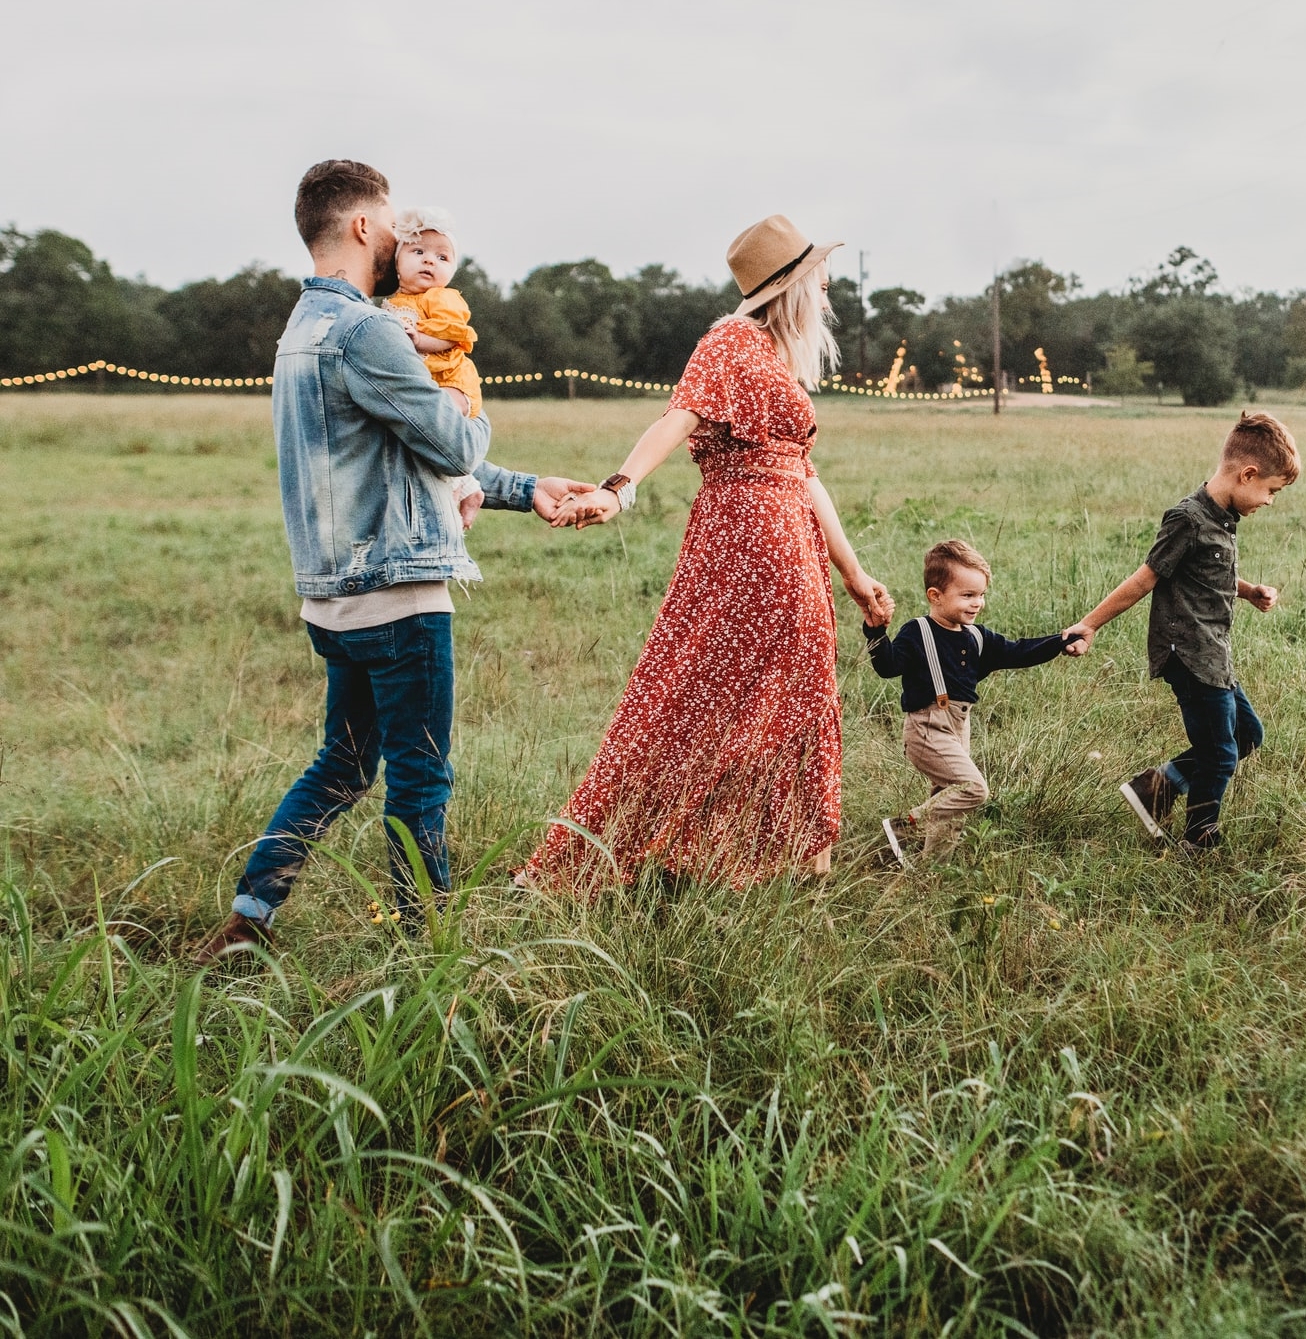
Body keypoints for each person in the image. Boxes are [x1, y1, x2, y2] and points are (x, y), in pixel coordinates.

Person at [192, 160, 595, 963]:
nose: (402, 240)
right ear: (362, 228)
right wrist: (467, 407)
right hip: (398, 594)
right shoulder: (369, 330)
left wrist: (523, 488)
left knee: (342, 764)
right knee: (421, 777)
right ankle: (429, 946)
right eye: (391, 224)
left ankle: (249, 918)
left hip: (333, 598)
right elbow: (448, 441)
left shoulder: (301, 330)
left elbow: (399, 454)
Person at [515, 214, 892, 890]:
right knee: (698, 692)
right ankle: (659, 848)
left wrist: (856, 574)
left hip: (788, 537)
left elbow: (804, 475)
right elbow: (677, 416)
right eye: (820, 278)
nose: (829, 290)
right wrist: (619, 489)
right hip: (749, 538)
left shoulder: (777, 357)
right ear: (791, 286)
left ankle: (788, 856)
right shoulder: (732, 341)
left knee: (796, 691)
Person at [1065, 412, 1300, 852]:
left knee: (1248, 735)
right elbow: (1145, 578)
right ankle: (1199, 838)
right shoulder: (1187, 519)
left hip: (1214, 653)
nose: (1270, 501)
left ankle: (1156, 789)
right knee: (1220, 753)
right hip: (1189, 654)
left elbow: (1210, 575)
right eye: (1271, 490)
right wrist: (1089, 625)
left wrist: (1248, 591)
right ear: (1247, 474)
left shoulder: (1223, 518)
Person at [865, 539, 1084, 864]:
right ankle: (905, 826)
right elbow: (887, 667)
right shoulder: (918, 632)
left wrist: (1061, 641)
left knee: (949, 803)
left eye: (981, 594)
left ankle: (931, 872)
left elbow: (1019, 651)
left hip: (958, 728)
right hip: (926, 728)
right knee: (972, 789)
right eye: (967, 595)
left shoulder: (977, 637)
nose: (977, 603)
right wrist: (876, 632)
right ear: (935, 596)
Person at [385, 207, 484, 525]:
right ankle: (469, 487)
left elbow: (451, 335)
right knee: (424, 435)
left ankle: (461, 491)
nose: (430, 261)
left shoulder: (442, 298)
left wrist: (419, 339)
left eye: (443, 257)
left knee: (440, 428)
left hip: (452, 380)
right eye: (418, 251)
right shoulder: (394, 302)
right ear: (397, 261)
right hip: (428, 382)